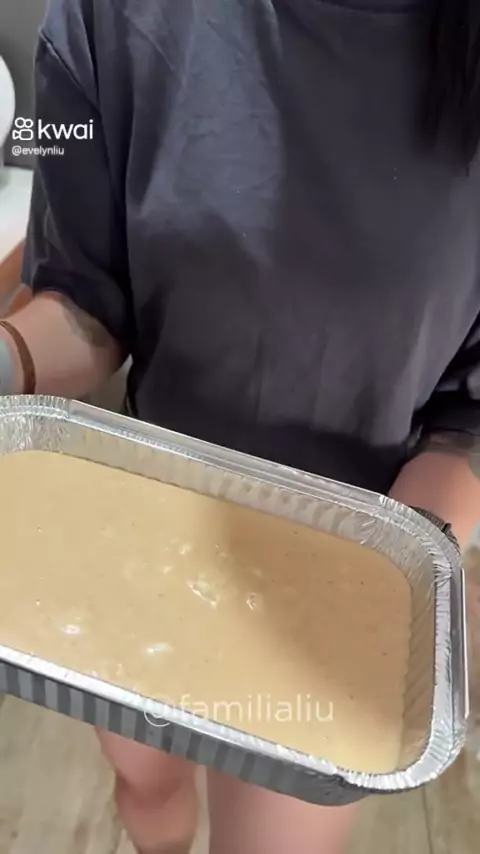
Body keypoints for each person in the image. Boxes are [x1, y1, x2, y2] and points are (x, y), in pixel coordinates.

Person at [1, 0, 480, 852]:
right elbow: (86, 294)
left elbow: (469, 415)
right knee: (144, 784)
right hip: (138, 529)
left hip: (341, 595)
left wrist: (381, 587)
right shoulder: (109, 17)